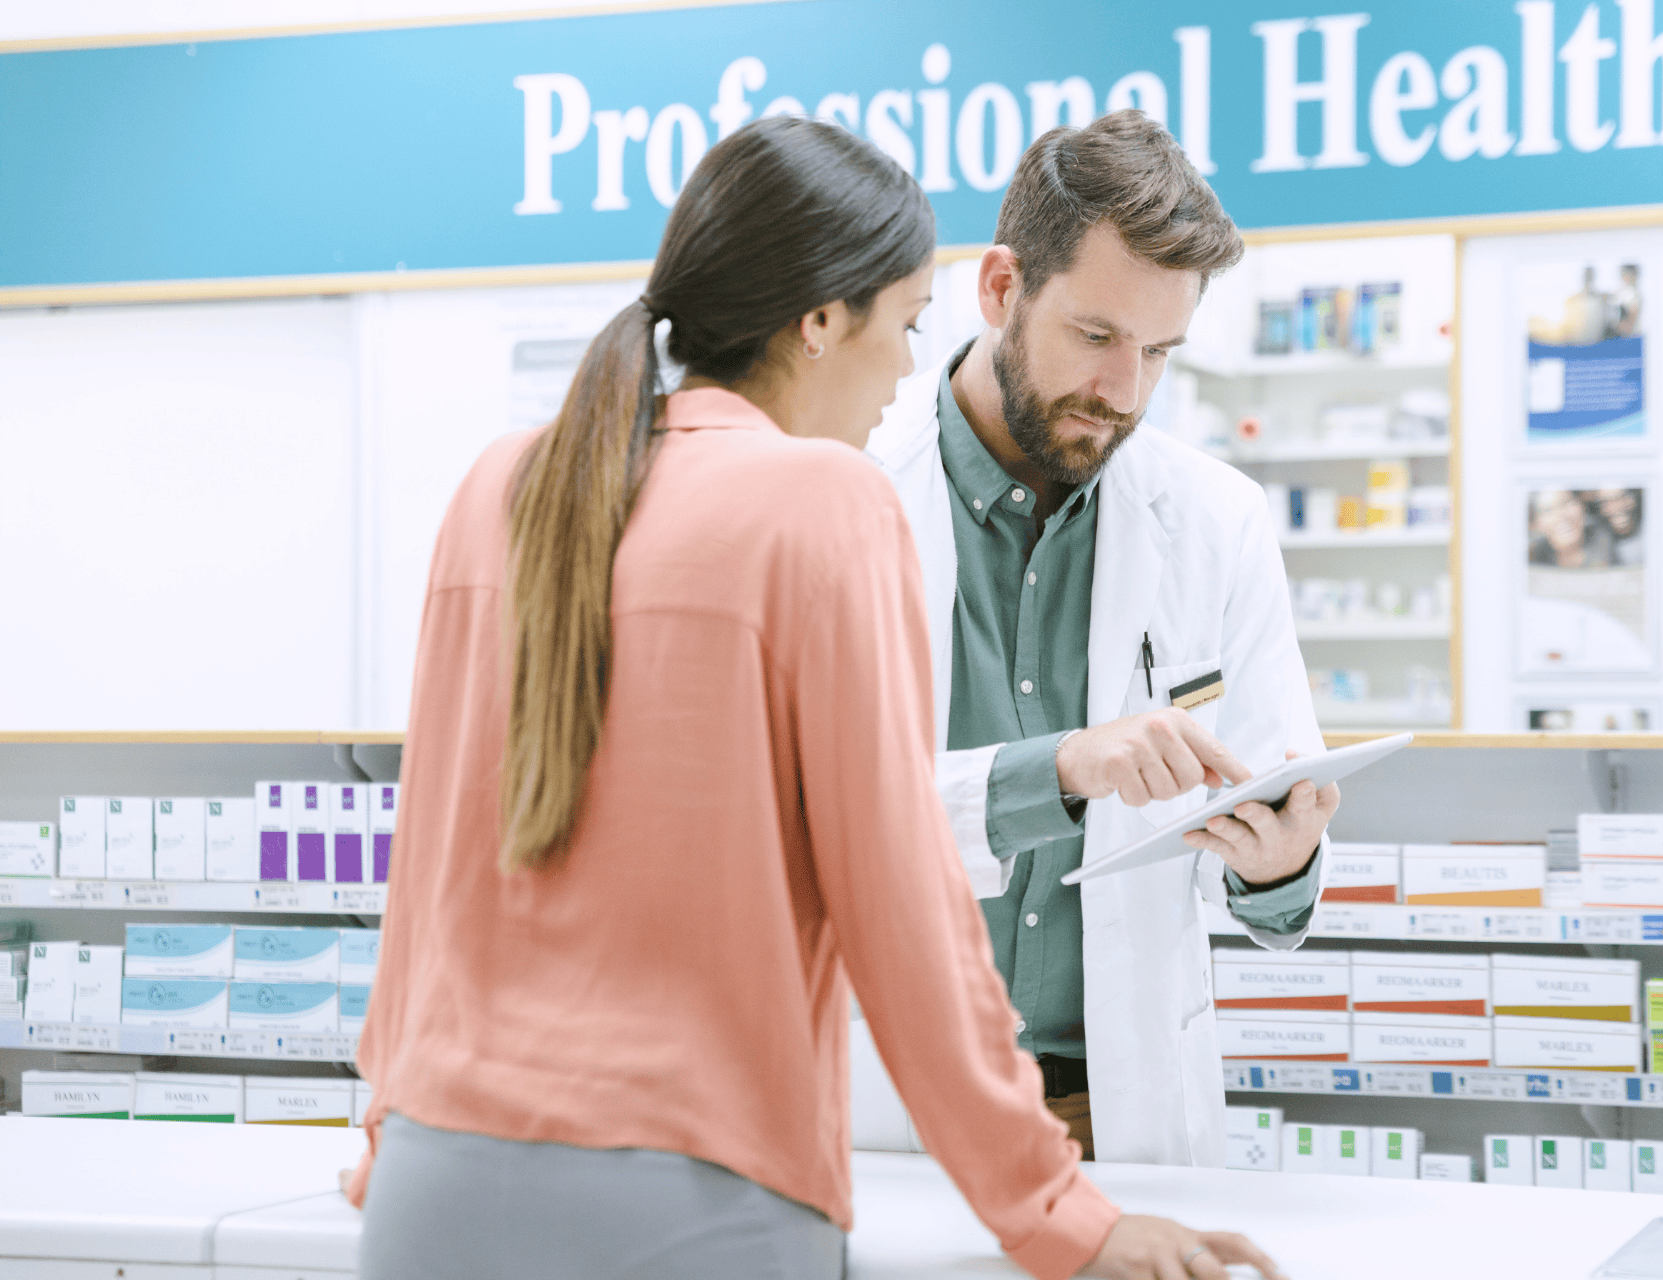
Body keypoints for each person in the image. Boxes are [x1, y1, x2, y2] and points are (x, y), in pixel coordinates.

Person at [347, 116, 1281, 1280]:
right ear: (821, 319)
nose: (905, 370)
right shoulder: (828, 504)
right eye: (902, 324)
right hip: (695, 1196)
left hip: (434, 1180)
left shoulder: (506, 480)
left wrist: (385, 1131)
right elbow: (903, 909)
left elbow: (428, 854)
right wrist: (1058, 1214)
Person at [863, 110, 1338, 1167]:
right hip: (894, 1107)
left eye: (1159, 351)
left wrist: (1282, 860)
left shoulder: (1216, 519)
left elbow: (1267, 869)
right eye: (1096, 336)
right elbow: (814, 818)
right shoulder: (846, 489)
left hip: (1108, 1116)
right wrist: (1065, 767)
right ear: (1000, 289)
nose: (1125, 392)